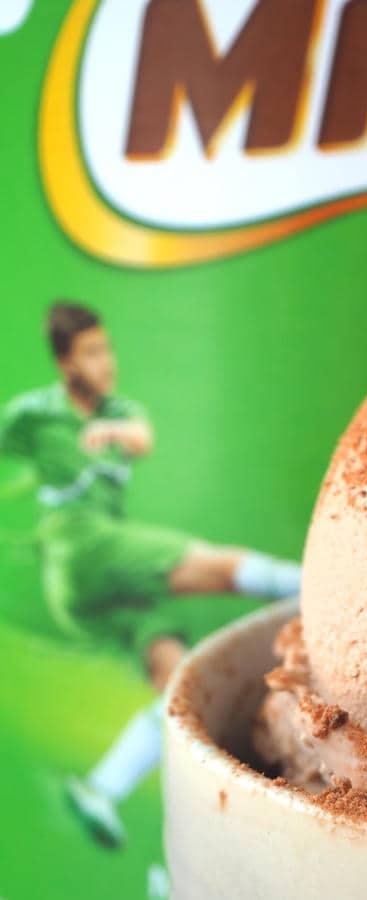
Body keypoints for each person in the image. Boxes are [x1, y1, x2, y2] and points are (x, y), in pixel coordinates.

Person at [0, 301, 301, 849]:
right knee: (214, 566)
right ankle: (317, 588)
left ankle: (100, 790)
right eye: (93, 351)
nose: (106, 360)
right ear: (65, 361)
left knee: (177, 684)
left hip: (109, 592)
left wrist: (111, 432)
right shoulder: (33, 413)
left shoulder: (119, 410)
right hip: (83, 546)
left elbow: (141, 437)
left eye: (107, 347)